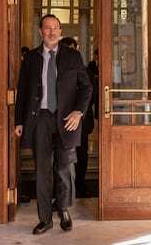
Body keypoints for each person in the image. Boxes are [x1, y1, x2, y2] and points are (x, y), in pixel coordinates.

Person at [14, 14, 93, 235]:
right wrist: (19, 121)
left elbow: (86, 88)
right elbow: (23, 92)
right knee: (42, 170)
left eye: (56, 28)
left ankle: (64, 210)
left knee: (64, 168)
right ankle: (45, 218)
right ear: (40, 31)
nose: (52, 32)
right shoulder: (30, 58)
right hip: (41, 119)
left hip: (67, 119)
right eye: (48, 28)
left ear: (60, 31)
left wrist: (79, 112)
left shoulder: (73, 56)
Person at [60, 37, 96, 198]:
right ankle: (62, 189)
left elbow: (91, 93)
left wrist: (79, 111)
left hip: (81, 120)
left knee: (81, 155)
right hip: (60, 120)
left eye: (73, 49)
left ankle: (80, 184)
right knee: (61, 157)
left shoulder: (85, 71)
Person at [88, 49, 99, 119]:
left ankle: (98, 115)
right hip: (94, 84)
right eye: (97, 55)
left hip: (101, 84)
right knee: (95, 100)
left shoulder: (104, 62)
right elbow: (89, 74)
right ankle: (96, 116)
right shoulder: (91, 63)